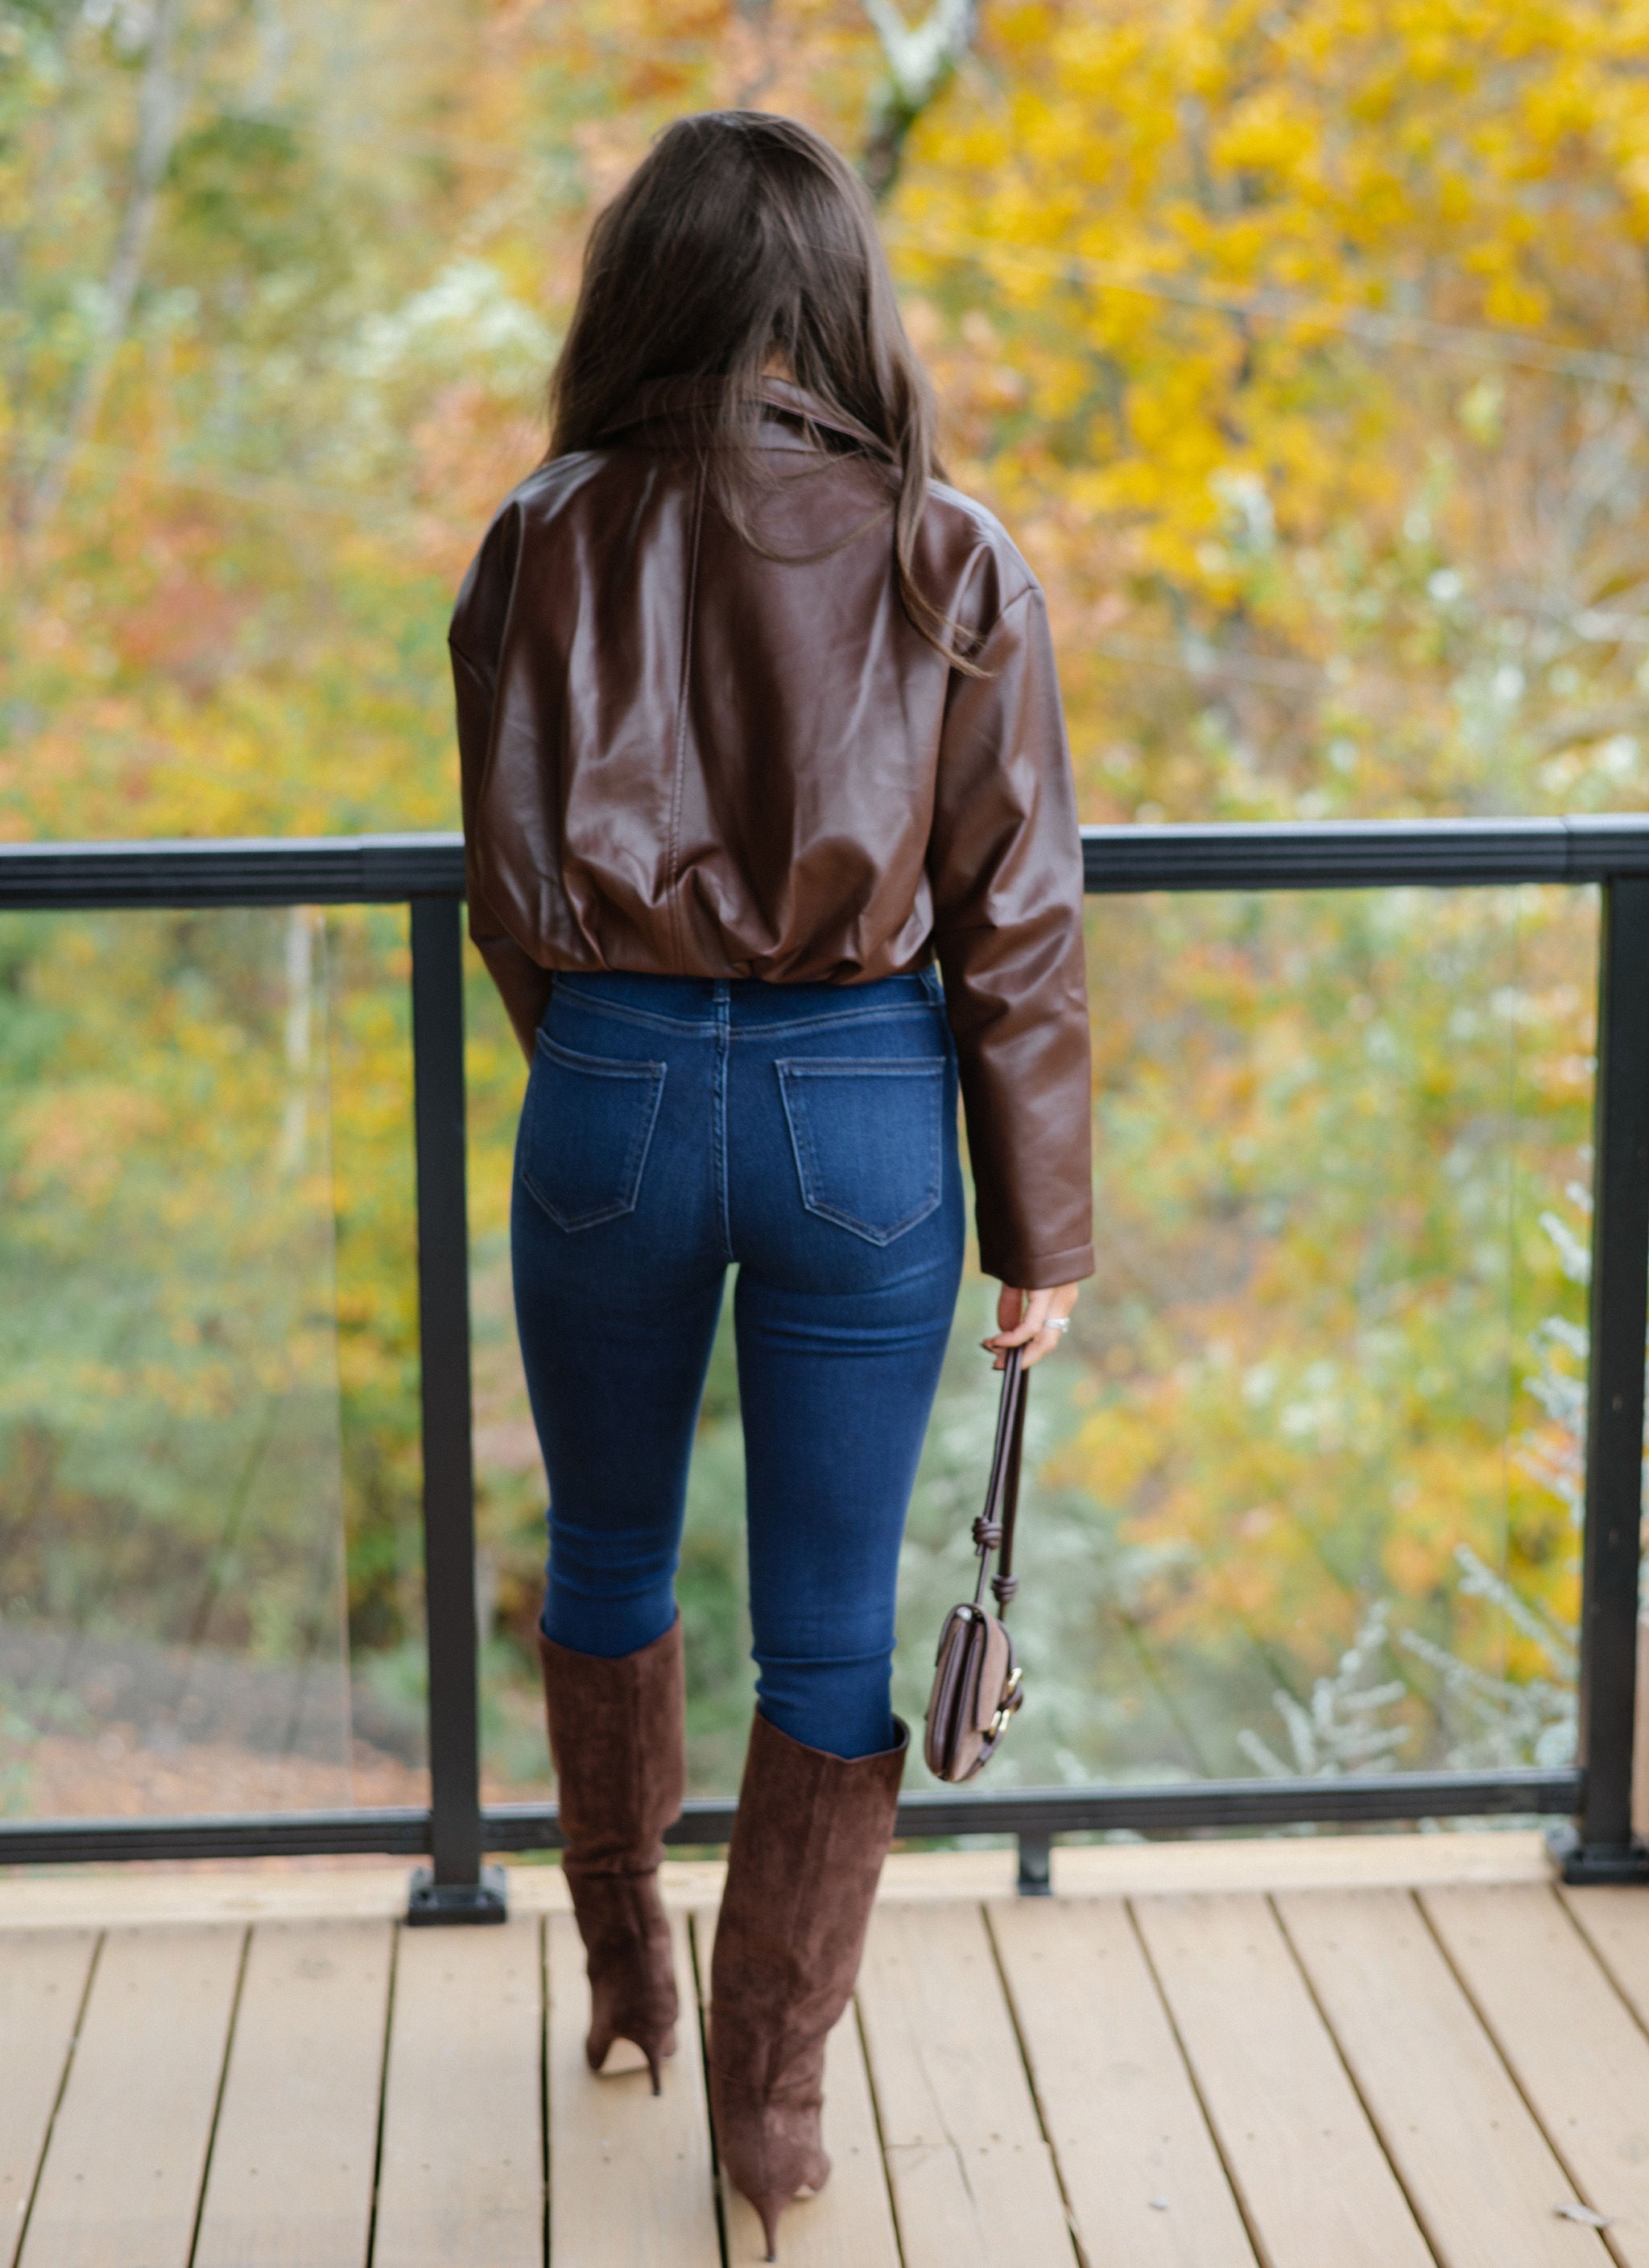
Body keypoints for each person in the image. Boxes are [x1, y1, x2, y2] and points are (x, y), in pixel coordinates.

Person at [449, 110, 1093, 2258]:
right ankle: (775, 2103)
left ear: (641, 290)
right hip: (867, 1118)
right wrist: (1042, 1232)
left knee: (607, 1542)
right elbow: (1016, 925)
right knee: (827, 1618)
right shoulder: (951, 551)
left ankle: (626, 1981)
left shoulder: (542, 535)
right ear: (839, 300)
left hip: (613, 1088)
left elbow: (506, 887)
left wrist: (624, 1065)